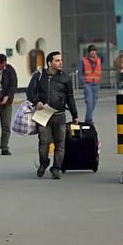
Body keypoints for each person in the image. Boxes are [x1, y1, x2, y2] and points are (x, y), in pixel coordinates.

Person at [27, 51, 79, 179]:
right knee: (43, 142)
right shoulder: (39, 76)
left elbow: (70, 98)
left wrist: (75, 115)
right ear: (50, 63)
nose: (61, 63)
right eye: (57, 60)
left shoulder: (65, 78)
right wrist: (37, 102)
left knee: (60, 144)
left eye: (61, 60)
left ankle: (56, 169)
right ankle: (44, 162)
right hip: (43, 114)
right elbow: (30, 92)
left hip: (59, 115)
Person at [0, 53, 18, 156]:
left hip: (6, 102)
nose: (1, 66)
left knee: (6, 125)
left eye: (3, 64)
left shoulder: (10, 70)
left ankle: (4, 147)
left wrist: (7, 96)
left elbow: (13, 85)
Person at [78, 45, 101, 124]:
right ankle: (89, 120)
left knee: (93, 103)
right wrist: (83, 82)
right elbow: (80, 72)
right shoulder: (84, 60)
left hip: (96, 84)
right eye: (92, 51)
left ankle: (88, 118)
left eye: (94, 51)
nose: (93, 52)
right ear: (88, 52)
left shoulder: (98, 60)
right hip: (88, 84)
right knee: (89, 102)